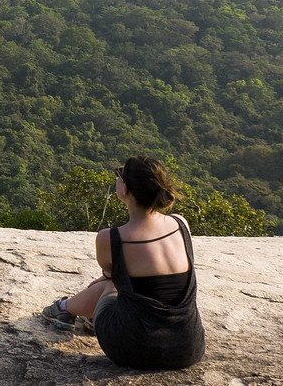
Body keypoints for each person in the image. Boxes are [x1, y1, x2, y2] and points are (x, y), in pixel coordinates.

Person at [41, 156, 206, 369]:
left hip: (133, 350)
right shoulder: (181, 224)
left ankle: (63, 308)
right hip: (188, 349)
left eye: (119, 174)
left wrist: (106, 280)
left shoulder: (111, 238)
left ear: (125, 189)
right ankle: (74, 312)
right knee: (120, 284)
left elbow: (111, 278)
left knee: (111, 285)